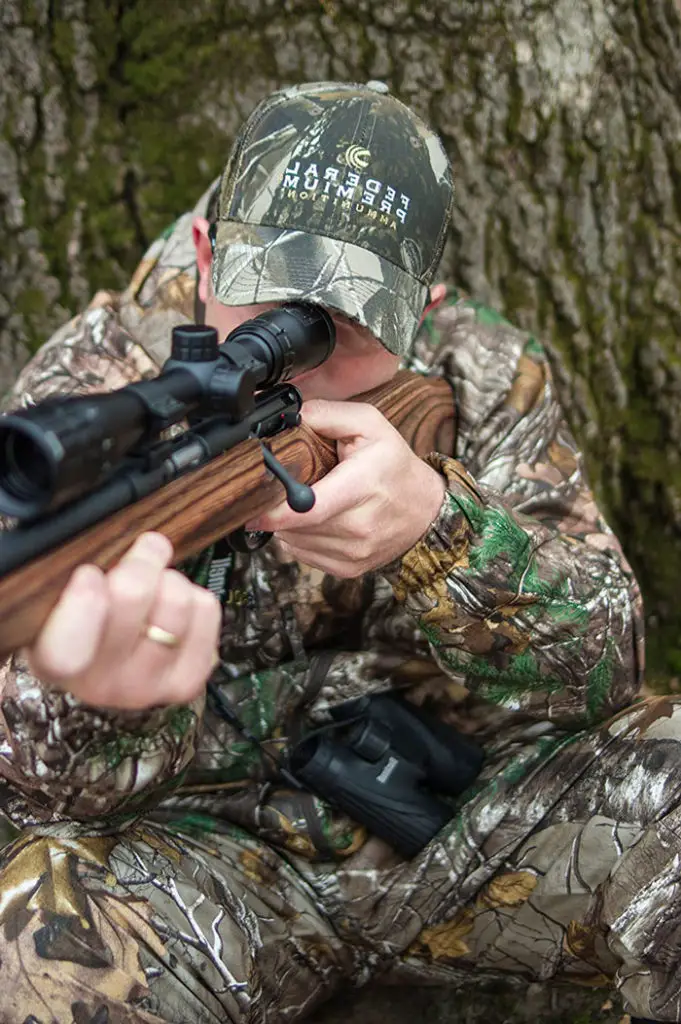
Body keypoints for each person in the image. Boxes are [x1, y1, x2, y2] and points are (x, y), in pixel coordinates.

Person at [0, 80, 669, 1024]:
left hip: (455, 817)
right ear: (204, 254)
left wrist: (442, 529)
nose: (295, 362)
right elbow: (44, 797)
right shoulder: (92, 399)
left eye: (343, 329)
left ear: (423, 304)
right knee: (34, 941)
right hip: (202, 859)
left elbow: (608, 668)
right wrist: (96, 704)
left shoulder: (482, 374)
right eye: (270, 301)